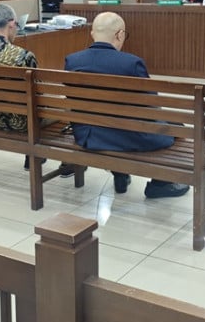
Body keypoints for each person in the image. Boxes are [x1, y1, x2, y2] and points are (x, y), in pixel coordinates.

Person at [64, 11, 189, 199]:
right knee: (177, 127)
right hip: (129, 136)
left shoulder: (72, 61)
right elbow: (151, 104)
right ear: (120, 35)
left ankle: (120, 173)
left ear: (93, 34)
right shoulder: (132, 63)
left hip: (88, 135)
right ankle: (161, 183)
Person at [0, 4, 74, 175]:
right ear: (11, 24)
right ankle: (68, 162)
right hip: (23, 123)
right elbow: (39, 99)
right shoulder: (23, 56)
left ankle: (33, 157)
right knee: (69, 106)